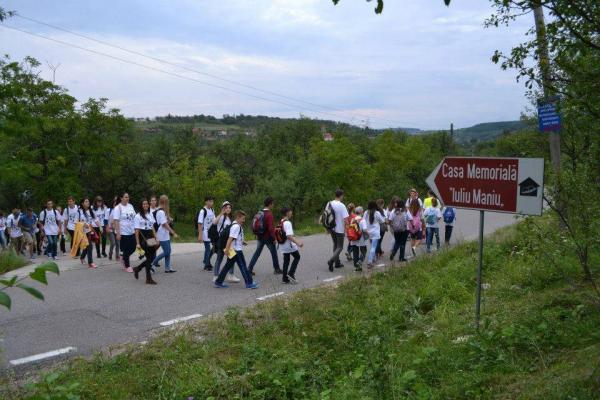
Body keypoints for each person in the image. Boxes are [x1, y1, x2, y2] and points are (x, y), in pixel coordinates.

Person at [214, 210, 259, 289]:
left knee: (227, 266)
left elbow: (235, 238)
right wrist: (227, 250)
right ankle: (249, 283)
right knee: (243, 266)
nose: (244, 221)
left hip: (233, 249)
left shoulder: (235, 225)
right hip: (236, 251)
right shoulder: (236, 226)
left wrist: (242, 241)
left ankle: (218, 281)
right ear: (238, 217)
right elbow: (230, 239)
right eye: (243, 219)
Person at [247, 196, 282, 275]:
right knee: (274, 252)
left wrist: (274, 229)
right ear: (270, 204)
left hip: (260, 236)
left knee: (257, 253)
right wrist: (274, 238)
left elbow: (267, 226)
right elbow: (270, 228)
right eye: (273, 203)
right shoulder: (269, 214)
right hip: (268, 238)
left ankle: (249, 269)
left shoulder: (260, 212)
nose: (273, 205)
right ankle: (277, 269)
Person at [212, 201, 240, 283]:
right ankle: (215, 276)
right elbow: (214, 222)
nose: (228, 209)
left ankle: (231, 275)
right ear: (223, 208)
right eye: (226, 207)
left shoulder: (229, 218)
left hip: (228, 242)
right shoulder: (221, 217)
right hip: (221, 241)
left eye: (229, 207)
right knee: (219, 259)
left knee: (232, 258)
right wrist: (221, 213)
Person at [152, 195, 179, 273]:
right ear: (165, 202)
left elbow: (164, 222)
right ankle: (152, 263)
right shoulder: (160, 211)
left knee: (168, 251)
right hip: (161, 234)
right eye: (167, 202)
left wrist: (169, 220)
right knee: (167, 251)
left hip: (165, 234)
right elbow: (164, 224)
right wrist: (173, 233)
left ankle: (167, 267)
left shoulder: (161, 211)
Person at [134, 199, 158, 285]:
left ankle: (138, 269)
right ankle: (148, 278)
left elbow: (152, 227)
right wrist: (137, 243)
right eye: (144, 204)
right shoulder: (137, 216)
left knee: (150, 258)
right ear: (141, 205)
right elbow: (136, 230)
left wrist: (156, 238)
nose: (146, 205)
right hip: (143, 237)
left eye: (146, 204)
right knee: (149, 258)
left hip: (150, 236)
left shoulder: (150, 214)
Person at [326, 189, 349, 272]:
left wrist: (327, 228)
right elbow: (346, 219)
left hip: (332, 228)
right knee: (340, 247)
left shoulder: (329, 203)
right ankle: (331, 261)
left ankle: (337, 263)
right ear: (341, 195)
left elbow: (326, 216)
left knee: (335, 245)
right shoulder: (341, 205)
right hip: (339, 229)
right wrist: (347, 228)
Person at [113, 193, 137, 273]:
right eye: (125, 197)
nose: (127, 198)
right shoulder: (118, 208)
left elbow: (135, 217)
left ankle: (123, 257)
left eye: (128, 197)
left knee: (133, 247)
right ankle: (127, 266)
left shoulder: (130, 206)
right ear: (121, 198)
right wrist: (118, 233)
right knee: (126, 249)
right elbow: (116, 221)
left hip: (132, 231)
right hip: (123, 232)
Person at [279, 207, 303, 284]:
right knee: (297, 257)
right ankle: (291, 273)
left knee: (286, 261)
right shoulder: (288, 223)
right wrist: (298, 243)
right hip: (289, 245)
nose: (291, 212)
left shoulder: (282, 221)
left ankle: (284, 279)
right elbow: (289, 236)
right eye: (290, 211)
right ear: (287, 213)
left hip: (283, 245)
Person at [78, 197, 99, 268]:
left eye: (88, 201)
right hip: (82, 232)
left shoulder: (91, 210)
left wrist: (101, 227)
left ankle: (82, 257)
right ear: (82, 203)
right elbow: (76, 222)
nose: (88, 203)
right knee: (90, 246)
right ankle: (91, 263)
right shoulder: (79, 211)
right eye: (86, 201)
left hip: (89, 231)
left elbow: (96, 219)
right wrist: (83, 224)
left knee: (87, 246)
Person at [364, 201, 386, 269]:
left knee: (371, 246)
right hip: (375, 232)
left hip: (368, 232)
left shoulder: (366, 212)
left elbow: (363, 220)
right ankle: (370, 261)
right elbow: (382, 221)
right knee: (373, 247)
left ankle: (373, 258)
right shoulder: (377, 213)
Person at [197, 196, 216, 271]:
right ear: (206, 202)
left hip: (211, 232)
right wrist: (200, 235)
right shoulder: (203, 211)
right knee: (207, 248)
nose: (211, 203)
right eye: (210, 201)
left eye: (212, 201)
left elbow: (214, 221)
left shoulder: (212, 210)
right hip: (205, 232)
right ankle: (207, 264)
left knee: (213, 248)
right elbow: (200, 223)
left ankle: (206, 261)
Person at [349, 206, 367, 271]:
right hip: (360, 239)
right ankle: (360, 261)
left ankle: (356, 266)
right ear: (361, 212)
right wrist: (368, 234)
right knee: (364, 251)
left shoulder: (352, 219)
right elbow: (364, 230)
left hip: (353, 238)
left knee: (355, 252)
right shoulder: (362, 220)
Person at [107, 196, 120, 261]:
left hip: (117, 229)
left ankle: (117, 256)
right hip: (110, 229)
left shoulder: (120, 211)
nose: (115, 203)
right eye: (114, 202)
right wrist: (107, 227)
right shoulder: (109, 210)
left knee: (118, 243)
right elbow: (106, 220)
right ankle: (110, 254)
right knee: (113, 243)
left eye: (117, 202)